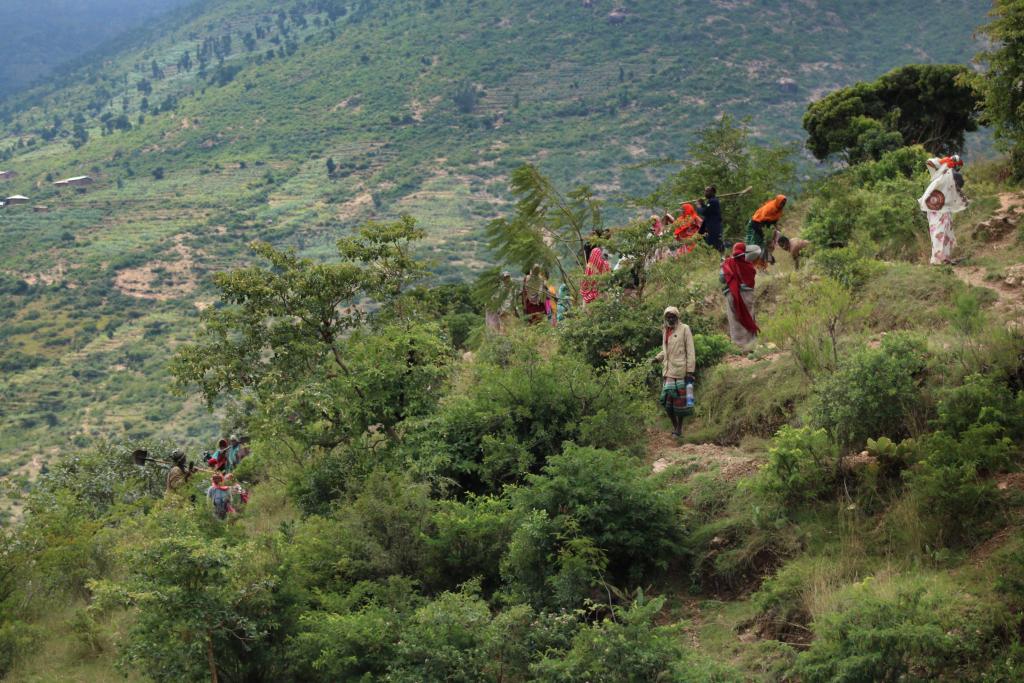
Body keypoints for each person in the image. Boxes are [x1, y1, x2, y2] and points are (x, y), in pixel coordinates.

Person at [654, 307, 696, 439]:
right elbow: (666, 350)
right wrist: (657, 358)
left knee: (679, 403)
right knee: (666, 403)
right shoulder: (665, 329)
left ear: (677, 317)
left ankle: (679, 429)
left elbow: (690, 351)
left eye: (673, 317)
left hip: (680, 371)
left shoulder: (685, 329)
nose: (670, 319)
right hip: (667, 371)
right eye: (668, 317)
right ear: (665, 318)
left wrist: (690, 371)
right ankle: (675, 426)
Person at [920, 157, 967, 265]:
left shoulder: (939, 172)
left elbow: (929, 161)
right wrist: (944, 162)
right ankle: (938, 260)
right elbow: (959, 185)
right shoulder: (949, 174)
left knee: (942, 232)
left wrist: (942, 162)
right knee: (940, 232)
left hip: (932, 206)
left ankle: (943, 258)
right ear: (958, 166)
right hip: (940, 208)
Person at [721, 242, 762, 350]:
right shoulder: (748, 264)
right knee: (748, 316)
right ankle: (751, 344)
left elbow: (721, 278)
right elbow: (752, 276)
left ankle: (738, 346)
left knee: (735, 319)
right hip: (747, 294)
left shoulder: (728, 263)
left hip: (731, 294)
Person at [746, 195, 787, 267]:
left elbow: (774, 221)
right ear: (778, 201)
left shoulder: (778, 210)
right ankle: (751, 265)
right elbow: (760, 220)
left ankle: (761, 266)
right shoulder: (770, 208)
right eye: (781, 203)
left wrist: (777, 231)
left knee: (765, 245)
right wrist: (762, 232)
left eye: (784, 203)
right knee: (754, 245)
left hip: (764, 227)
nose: (782, 205)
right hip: (756, 224)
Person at [697, 185, 723, 252]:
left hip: (713, 227)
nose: (705, 193)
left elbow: (704, 212)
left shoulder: (713, 201)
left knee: (714, 245)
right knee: (709, 244)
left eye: (707, 191)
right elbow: (708, 210)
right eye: (705, 191)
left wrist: (699, 206)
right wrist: (703, 204)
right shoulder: (711, 201)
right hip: (711, 226)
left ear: (712, 192)